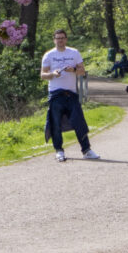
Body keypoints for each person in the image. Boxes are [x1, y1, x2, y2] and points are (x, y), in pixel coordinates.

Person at [41, 29, 99, 162]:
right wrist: (53, 74)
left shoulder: (74, 53)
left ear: (66, 39)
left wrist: (73, 70)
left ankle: (87, 150)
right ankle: (59, 151)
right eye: (58, 38)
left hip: (71, 93)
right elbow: (43, 75)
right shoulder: (48, 55)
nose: (60, 40)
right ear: (54, 40)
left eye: (62, 38)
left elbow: (82, 71)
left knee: (79, 121)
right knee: (55, 123)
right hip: (56, 93)